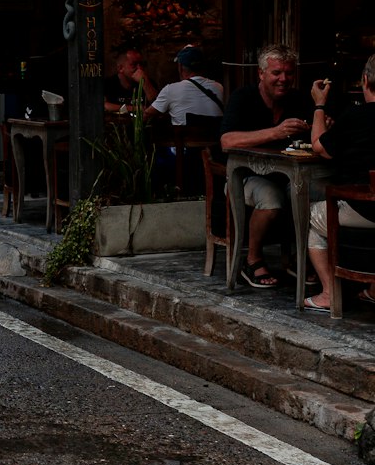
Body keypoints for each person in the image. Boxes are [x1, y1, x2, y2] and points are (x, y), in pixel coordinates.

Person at [219, 43, 312, 289]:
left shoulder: (299, 99)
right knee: (271, 198)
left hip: (288, 175)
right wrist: (275, 132)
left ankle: (298, 258)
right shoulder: (243, 97)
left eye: (289, 73)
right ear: (261, 74)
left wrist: (320, 124)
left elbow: (314, 136)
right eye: (276, 73)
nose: (283, 79)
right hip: (243, 177)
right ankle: (252, 259)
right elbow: (227, 141)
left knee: (310, 194)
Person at [304, 58, 375, 311]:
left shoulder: (357, 116)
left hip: (365, 211)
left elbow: (319, 147)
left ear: (365, 81)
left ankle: (327, 293)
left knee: (309, 216)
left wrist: (319, 104)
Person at [144, 46, 224, 126]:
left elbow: (147, 114)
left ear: (180, 67)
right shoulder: (219, 87)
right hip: (214, 138)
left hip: (186, 138)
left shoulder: (171, 90)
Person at [104, 48, 158, 112]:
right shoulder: (108, 84)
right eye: (134, 64)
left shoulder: (148, 82)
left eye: (141, 64)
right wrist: (133, 108)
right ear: (121, 68)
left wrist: (145, 83)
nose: (139, 68)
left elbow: (158, 105)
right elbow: (103, 105)